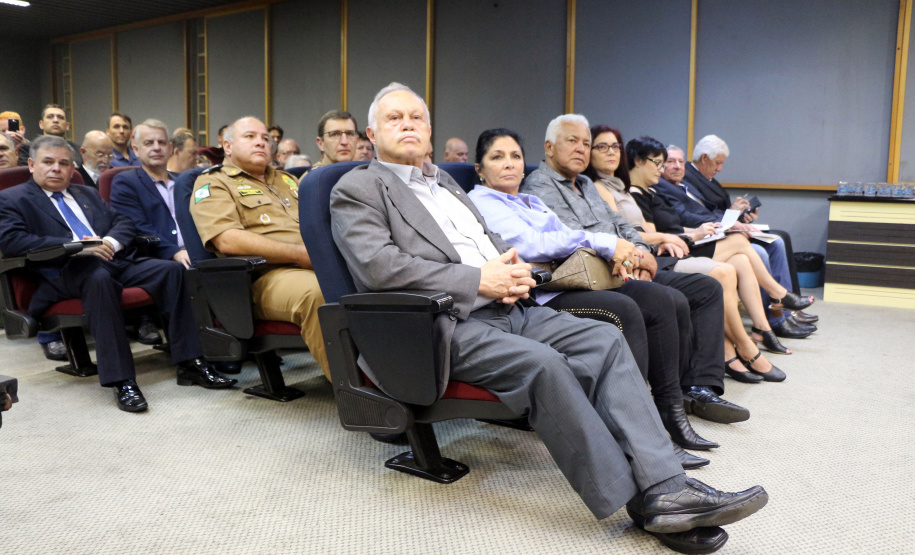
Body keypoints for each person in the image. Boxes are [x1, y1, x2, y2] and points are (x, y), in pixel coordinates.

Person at [330, 82, 767, 553]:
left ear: (430, 130)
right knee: (546, 365)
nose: (408, 125)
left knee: (603, 340)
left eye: (416, 117)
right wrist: (478, 279)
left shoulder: (444, 182)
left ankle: (666, 485)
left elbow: (488, 241)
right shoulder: (356, 187)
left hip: (506, 305)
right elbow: (379, 268)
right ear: (372, 132)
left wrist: (513, 269)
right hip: (440, 323)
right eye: (395, 118)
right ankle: (639, 499)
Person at [468, 128, 719, 466]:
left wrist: (614, 251)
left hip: (573, 278)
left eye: (515, 156)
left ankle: (668, 413)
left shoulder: (530, 200)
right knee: (625, 309)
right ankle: (633, 432)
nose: (509, 164)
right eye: (497, 157)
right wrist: (604, 244)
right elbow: (531, 245)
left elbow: (569, 235)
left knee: (661, 300)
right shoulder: (482, 201)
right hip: (543, 291)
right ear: (479, 169)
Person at [523, 114, 747, 424]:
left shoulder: (586, 184)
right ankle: (658, 405)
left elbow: (620, 225)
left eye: (586, 143)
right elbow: (570, 239)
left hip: (621, 265)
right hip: (590, 276)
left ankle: (696, 386)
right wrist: (632, 258)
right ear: (549, 147)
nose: (581, 149)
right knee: (665, 299)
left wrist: (641, 252)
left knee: (706, 289)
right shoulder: (539, 185)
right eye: (572, 141)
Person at [0, 136, 237, 411]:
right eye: (48, 162)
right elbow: (13, 241)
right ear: (31, 164)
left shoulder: (85, 193)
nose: (56, 169)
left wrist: (109, 243)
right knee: (98, 278)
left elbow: (123, 222)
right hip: (64, 272)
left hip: (112, 261)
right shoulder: (11, 198)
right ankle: (122, 380)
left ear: (72, 168)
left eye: (64, 163)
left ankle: (191, 362)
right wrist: (78, 248)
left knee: (172, 271)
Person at [591, 132, 790, 381]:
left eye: (615, 147)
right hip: (662, 251)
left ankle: (753, 334)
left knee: (740, 257)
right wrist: (687, 236)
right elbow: (641, 234)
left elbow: (647, 231)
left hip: (666, 247)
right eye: (661, 163)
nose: (667, 168)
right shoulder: (609, 190)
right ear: (638, 161)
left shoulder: (634, 191)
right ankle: (748, 339)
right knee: (731, 259)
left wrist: (693, 233)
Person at [190, 116, 329, 378]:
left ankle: (395, 374)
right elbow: (227, 239)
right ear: (227, 146)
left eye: (265, 138)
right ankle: (359, 390)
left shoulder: (287, 180)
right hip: (263, 278)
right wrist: (299, 255)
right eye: (250, 137)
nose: (261, 143)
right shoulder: (213, 183)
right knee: (318, 293)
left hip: (314, 264)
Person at [656, 144, 817, 339]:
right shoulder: (662, 187)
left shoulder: (685, 186)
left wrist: (737, 218)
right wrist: (726, 221)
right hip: (696, 238)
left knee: (777, 241)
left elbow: (710, 210)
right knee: (756, 252)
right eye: (670, 162)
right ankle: (776, 308)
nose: (678, 166)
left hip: (715, 230)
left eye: (681, 161)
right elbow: (685, 218)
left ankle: (779, 316)